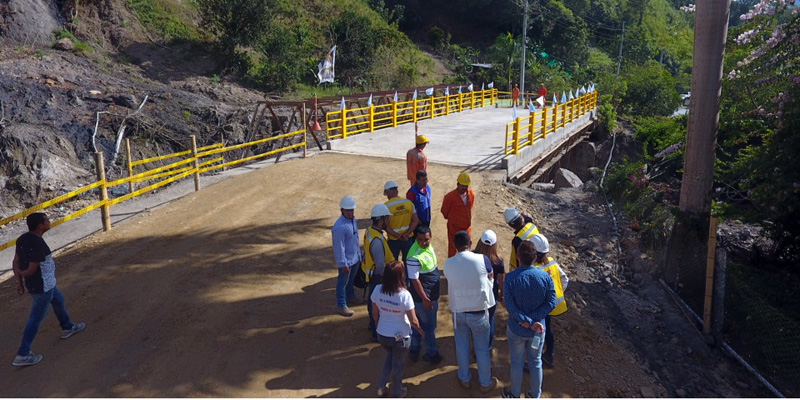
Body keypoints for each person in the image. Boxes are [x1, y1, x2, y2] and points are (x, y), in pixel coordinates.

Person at [11, 212, 85, 367]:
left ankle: (68, 327)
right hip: (43, 286)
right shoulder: (38, 244)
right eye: (47, 220)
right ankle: (23, 354)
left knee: (58, 300)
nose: (49, 222)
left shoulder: (23, 239)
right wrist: (23, 275)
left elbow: (15, 262)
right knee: (35, 319)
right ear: (40, 226)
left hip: (43, 285)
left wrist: (20, 282)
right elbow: (31, 269)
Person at [443, 231, 499, 393]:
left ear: (455, 245)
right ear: (471, 242)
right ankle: (485, 382)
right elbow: (490, 277)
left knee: (461, 347)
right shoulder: (483, 259)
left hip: (459, 312)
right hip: (479, 313)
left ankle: (464, 378)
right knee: (482, 349)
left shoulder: (449, 263)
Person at [502, 240, 557, 398]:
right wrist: (534, 321)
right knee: (536, 362)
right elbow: (551, 302)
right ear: (535, 257)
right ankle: (535, 395)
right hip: (538, 330)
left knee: (517, 363)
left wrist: (527, 321)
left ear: (518, 256)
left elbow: (510, 307)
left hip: (517, 329)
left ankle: (515, 393)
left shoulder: (511, 278)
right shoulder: (545, 277)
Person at [371, 260, 424, 398]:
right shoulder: (405, 295)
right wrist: (420, 330)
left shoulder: (377, 290)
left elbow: (375, 313)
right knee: (399, 366)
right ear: (401, 276)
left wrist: (377, 325)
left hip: (382, 335)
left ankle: (381, 387)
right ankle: (397, 391)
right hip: (401, 338)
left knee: (390, 356)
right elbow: (413, 320)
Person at [529, 234, 568, 369]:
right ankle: (549, 355)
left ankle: (534, 360)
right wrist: (559, 293)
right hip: (554, 304)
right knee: (548, 330)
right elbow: (565, 279)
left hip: (541, 306)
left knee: (537, 332)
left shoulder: (534, 268)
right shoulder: (552, 262)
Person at [406, 225, 443, 364]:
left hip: (427, 296)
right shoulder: (414, 256)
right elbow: (414, 280)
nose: (423, 242)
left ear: (430, 237)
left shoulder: (427, 247)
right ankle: (432, 353)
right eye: (420, 239)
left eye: (426, 239)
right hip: (424, 299)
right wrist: (425, 299)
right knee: (428, 327)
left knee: (420, 324)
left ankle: (414, 348)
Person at [364, 203, 396, 342]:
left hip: (372, 274)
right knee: (377, 303)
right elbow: (380, 264)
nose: (389, 221)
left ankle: (373, 326)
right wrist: (387, 278)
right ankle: (376, 331)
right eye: (387, 218)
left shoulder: (371, 232)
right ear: (382, 220)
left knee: (372, 300)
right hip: (378, 276)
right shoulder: (377, 240)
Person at [473, 230, 505, 350]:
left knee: (477, 321)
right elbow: (501, 280)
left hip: (476, 295)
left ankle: (477, 346)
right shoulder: (499, 261)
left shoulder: (473, 256)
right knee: (490, 320)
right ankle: (487, 346)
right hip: (492, 295)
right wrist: (502, 293)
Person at [331, 195, 362, 317]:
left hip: (355, 259)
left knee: (350, 281)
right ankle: (341, 305)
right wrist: (343, 263)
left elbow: (355, 239)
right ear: (342, 210)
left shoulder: (353, 220)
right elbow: (339, 247)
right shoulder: (339, 227)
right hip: (347, 261)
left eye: (352, 210)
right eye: (348, 210)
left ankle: (350, 296)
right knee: (342, 283)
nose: (350, 212)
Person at [383, 181, 420, 263]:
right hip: (408, 238)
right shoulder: (408, 203)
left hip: (393, 240)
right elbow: (415, 220)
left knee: (393, 264)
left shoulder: (386, 207)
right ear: (397, 191)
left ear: (388, 192)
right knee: (409, 262)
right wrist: (407, 233)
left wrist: (397, 235)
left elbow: (385, 226)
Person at [441, 172, 475, 257]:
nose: (464, 188)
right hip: (454, 228)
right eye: (462, 185)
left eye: (466, 186)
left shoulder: (471, 194)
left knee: (467, 248)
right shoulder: (449, 197)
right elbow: (444, 212)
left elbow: (470, 207)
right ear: (457, 184)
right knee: (453, 248)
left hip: (467, 227)